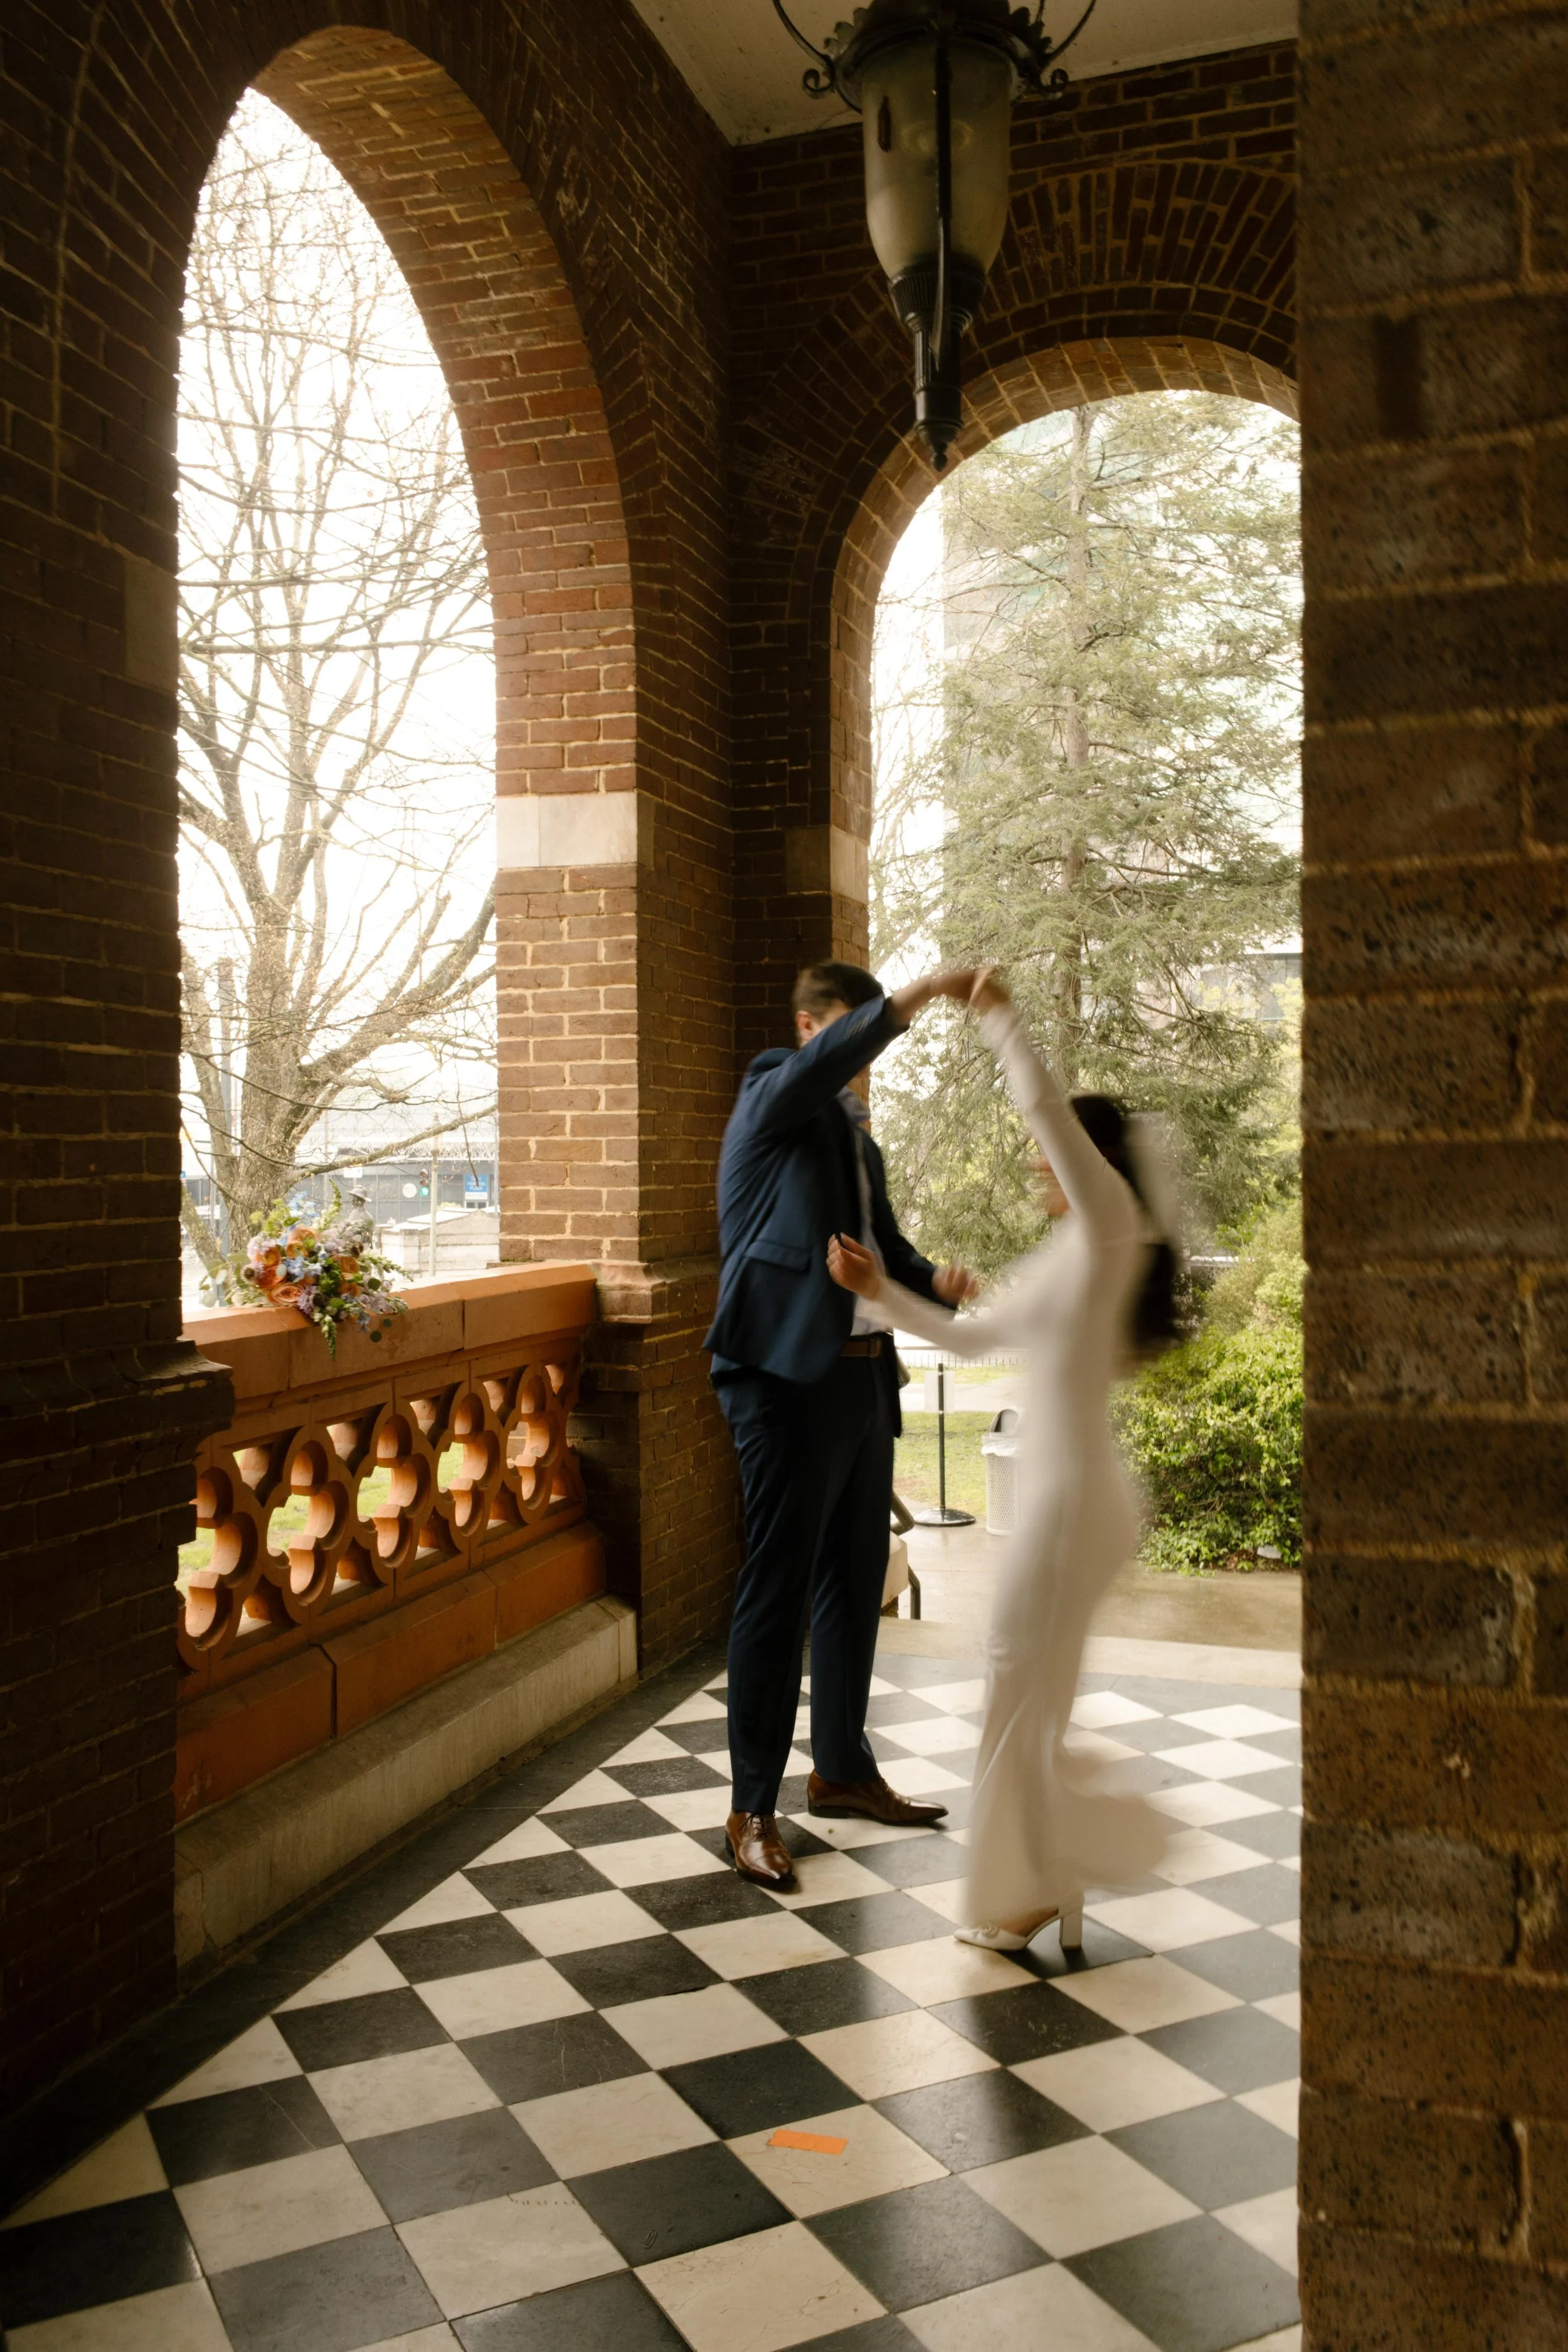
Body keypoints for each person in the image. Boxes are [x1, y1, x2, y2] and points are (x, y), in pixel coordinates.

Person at [828, 967, 1180, 1950]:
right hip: (1071, 1500)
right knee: (1021, 1686)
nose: (1035, 1157)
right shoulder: (1073, 1251)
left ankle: (1040, 1880)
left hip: (1076, 1504)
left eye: (1051, 1149)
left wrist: (999, 1018)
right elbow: (973, 1339)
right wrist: (877, 1289)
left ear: (1094, 1162)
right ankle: (1046, 1876)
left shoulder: (1107, 1226)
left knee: (1019, 1685)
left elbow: (1044, 1108)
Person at [706, 960, 978, 1891]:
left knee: (852, 1584)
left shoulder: (859, 1147)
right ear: (813, 1023)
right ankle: (750, 1806)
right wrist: (919, 995)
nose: (866, 1063)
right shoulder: (770, 1096)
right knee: (777, 1592)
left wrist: (930, 1276)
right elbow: (821, 1069)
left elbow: (885, 1248)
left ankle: (842, 1770)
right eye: (853, 1035)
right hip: (782, 1383)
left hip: (865, 1383)